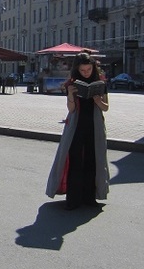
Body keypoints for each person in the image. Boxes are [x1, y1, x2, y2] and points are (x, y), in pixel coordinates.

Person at [46, 52, 109, 209]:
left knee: (92, 160)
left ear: (93, 68)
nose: (86, 73)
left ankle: (89, 198)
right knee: (75, 161)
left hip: (94, 126)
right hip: (76, 126)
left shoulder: (100, 83)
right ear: (77, 70)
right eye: (82, 70)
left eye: (88, 69)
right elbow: (71, 109)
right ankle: (73, 199)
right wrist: (70, 96)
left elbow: (106, 108)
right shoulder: (72, 84)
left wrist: (98, 101)